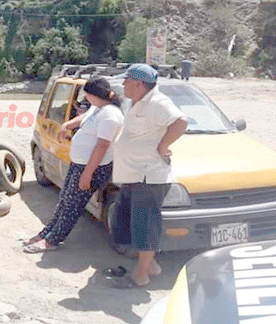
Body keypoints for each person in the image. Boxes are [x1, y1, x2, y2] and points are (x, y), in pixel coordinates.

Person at [23, 77, 124, 253]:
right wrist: (67, 125)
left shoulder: (110, 115)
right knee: (64, 200)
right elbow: (84, 118)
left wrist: (87, 174)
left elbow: (102, 147)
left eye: (87, 95)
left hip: (92, 168)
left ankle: (52, 241)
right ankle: (46, 233)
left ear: (94, 95)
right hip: (79, 164)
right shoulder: (98, 108)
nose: (86, 99)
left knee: (72, 206)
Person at [109, 63, 188, 289]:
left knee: (146, 227)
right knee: (127, 224)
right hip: (134, 175)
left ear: (139, 84)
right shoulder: (136, 102)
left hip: (148, 177)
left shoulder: (157, 102)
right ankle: (151, 266)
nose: (123, 84)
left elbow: (181, 122)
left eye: (127, 81)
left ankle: (140, 275)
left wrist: (163, 146)